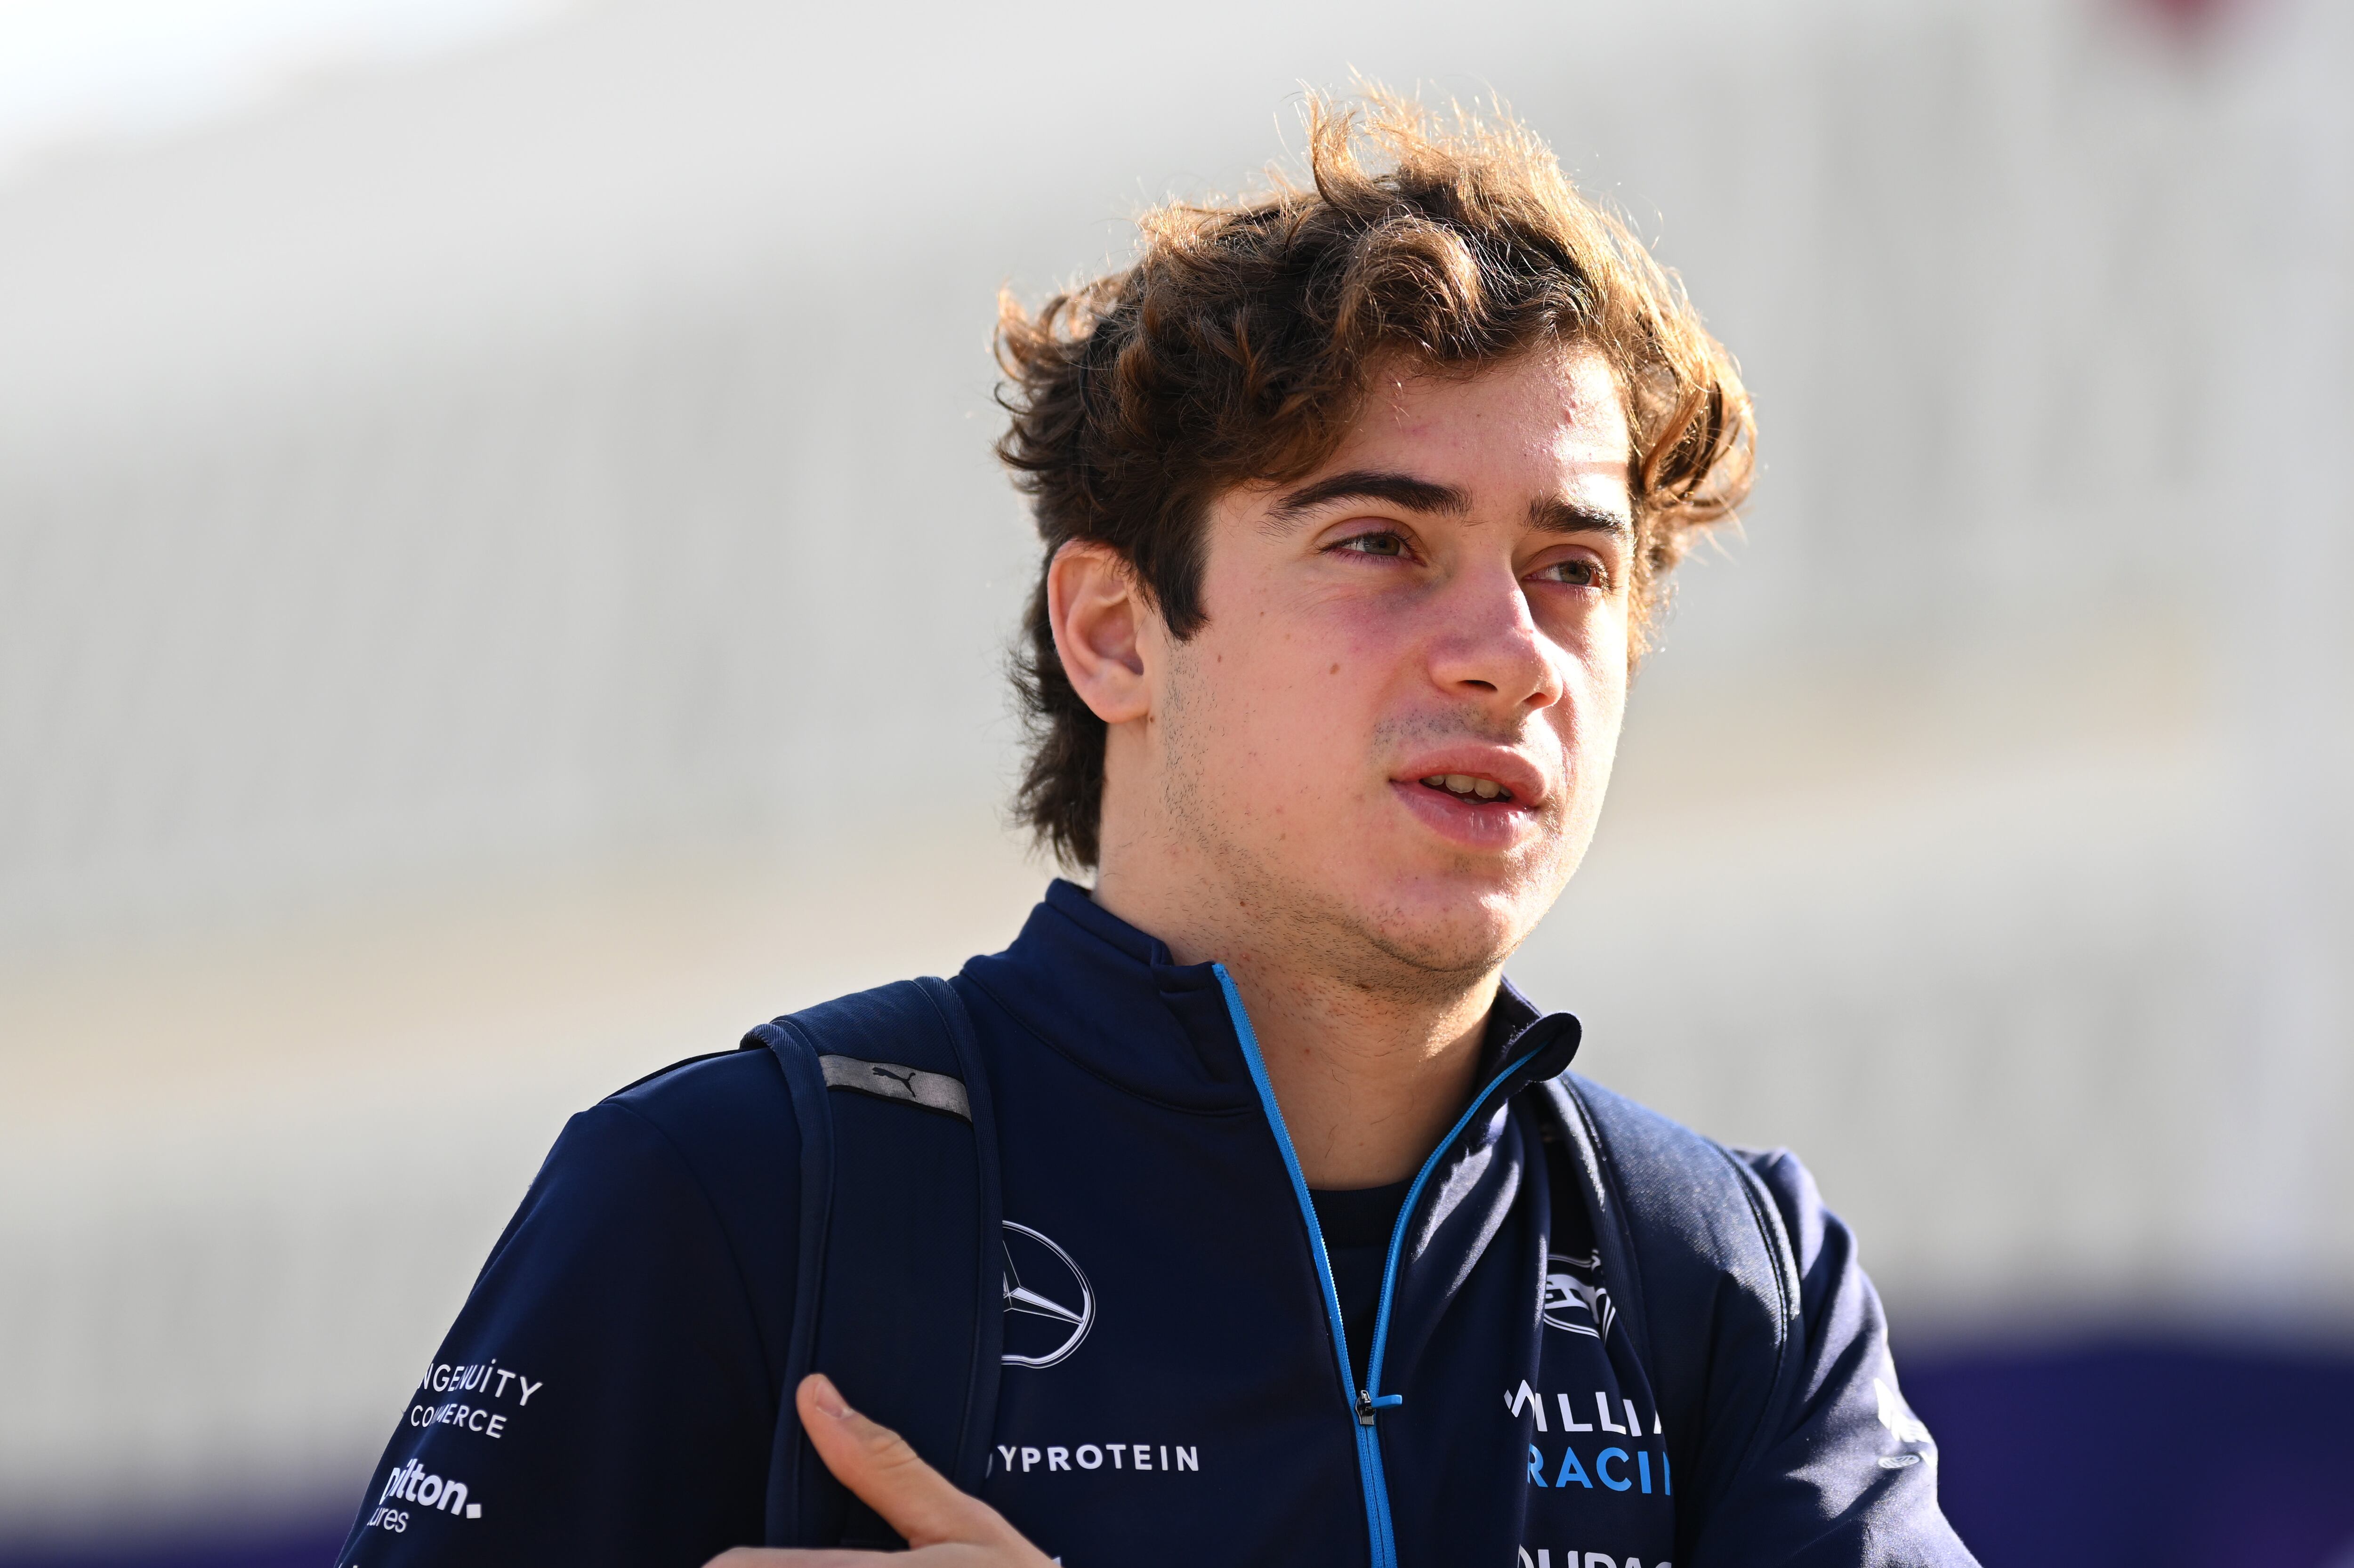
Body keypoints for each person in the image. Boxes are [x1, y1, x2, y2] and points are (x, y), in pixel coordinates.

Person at [337, 92, 1975, 1568]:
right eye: (1380, 540)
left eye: (1575, 567)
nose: (1509, 650)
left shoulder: (1736, 1286)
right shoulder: (734, 1194)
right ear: (1116, 632)